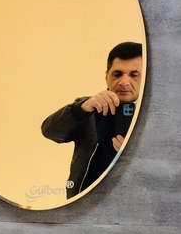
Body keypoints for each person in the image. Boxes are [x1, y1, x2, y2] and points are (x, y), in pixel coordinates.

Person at [41, 41, 142, 199]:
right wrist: (81, 108)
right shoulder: (88, 108)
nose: (124, 82)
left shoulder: (156, 116)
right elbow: (50, 131)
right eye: (117, 74)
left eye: (134, 75)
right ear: (106, 76)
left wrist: (138, 157)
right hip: (84, 205)